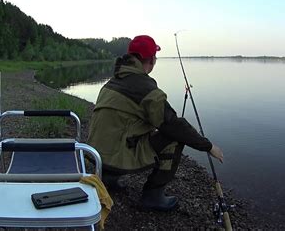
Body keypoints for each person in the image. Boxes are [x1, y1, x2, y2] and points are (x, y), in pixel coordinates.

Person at [87, 35, 224, 211]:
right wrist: (208, 146)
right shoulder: (145, 88)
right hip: (114, 158)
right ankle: (153, 196)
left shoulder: (111, 82)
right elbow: (175, 126)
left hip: (95, 156)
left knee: (143, 131)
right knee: (175, 137)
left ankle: (109, 179)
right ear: (151, 59)